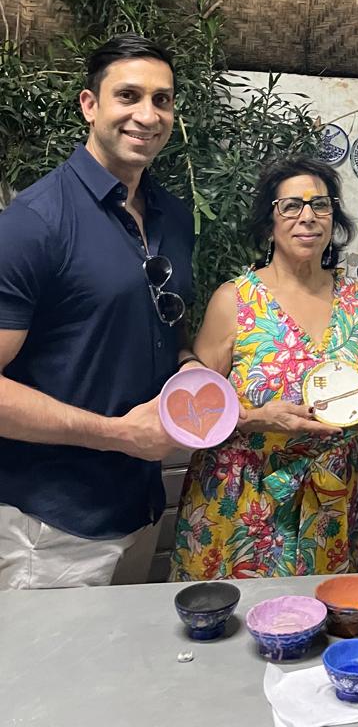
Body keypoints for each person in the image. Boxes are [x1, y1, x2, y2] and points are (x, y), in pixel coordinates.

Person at [0, 34, 194, 588]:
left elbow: (160, 329)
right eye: (128, 96)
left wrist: (189, 367)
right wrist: (117, 434)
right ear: (89, 104)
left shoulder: (173, 217)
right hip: (52, 523)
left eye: (161, 100)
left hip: (139, 507)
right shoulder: (35, 222)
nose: (147, 115)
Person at [170, 156, 358, 579]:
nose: (308, 217)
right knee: (237, 618)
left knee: (320, 614)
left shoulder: (356, 298)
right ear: (269, 223)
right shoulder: (236, 300)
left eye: (320, 205)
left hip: (329, 500)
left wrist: (353, 416)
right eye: (291, 206)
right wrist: (256, 419)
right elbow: (194, 413)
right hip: (244, 500)